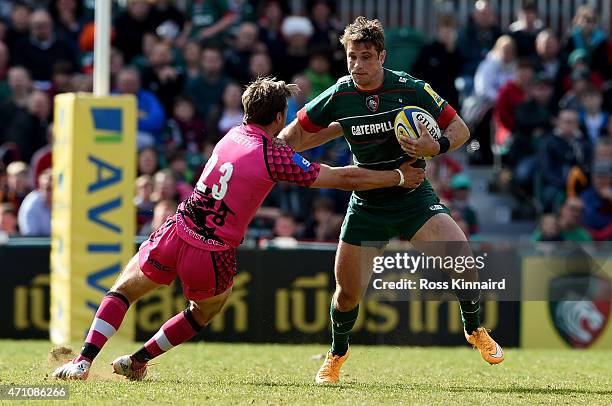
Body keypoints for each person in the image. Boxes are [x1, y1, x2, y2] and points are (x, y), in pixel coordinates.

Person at [51, 77, 423, 381]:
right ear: (279, 117)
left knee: (123, 290)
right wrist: (396, 175)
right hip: (212, 250)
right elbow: (340, 178)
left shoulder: (231, 134)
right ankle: (138, 359)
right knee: (203, 311)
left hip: (178, 228)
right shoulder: (274, 155)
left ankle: (82, 362)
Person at [279, 17, 504, 384]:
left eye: (366, 57)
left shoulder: (411, 87)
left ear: (382, 56)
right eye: (352, 57)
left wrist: (438, 146)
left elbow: (460, 129)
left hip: (413, 196)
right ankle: (337, 354)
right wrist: (271, 149)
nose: (357, 65)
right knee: (347, 295)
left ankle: (474, 328)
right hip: (367, 203)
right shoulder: (340, 93)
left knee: (462, 260)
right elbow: (295, 135)